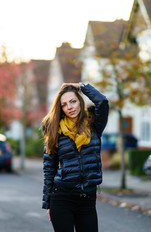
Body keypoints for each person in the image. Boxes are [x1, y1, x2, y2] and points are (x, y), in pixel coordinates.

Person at [42, 82, 109, 232]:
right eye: (64, 104)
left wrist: (82, 87)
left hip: (87, 199)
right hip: (61, 198)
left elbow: (102, 102)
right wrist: (48, 203)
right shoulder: (54, 130)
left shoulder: (94, 126)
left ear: (80, 101)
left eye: (73, 101)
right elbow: (49, 168)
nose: (70, 107)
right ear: (61, 108)